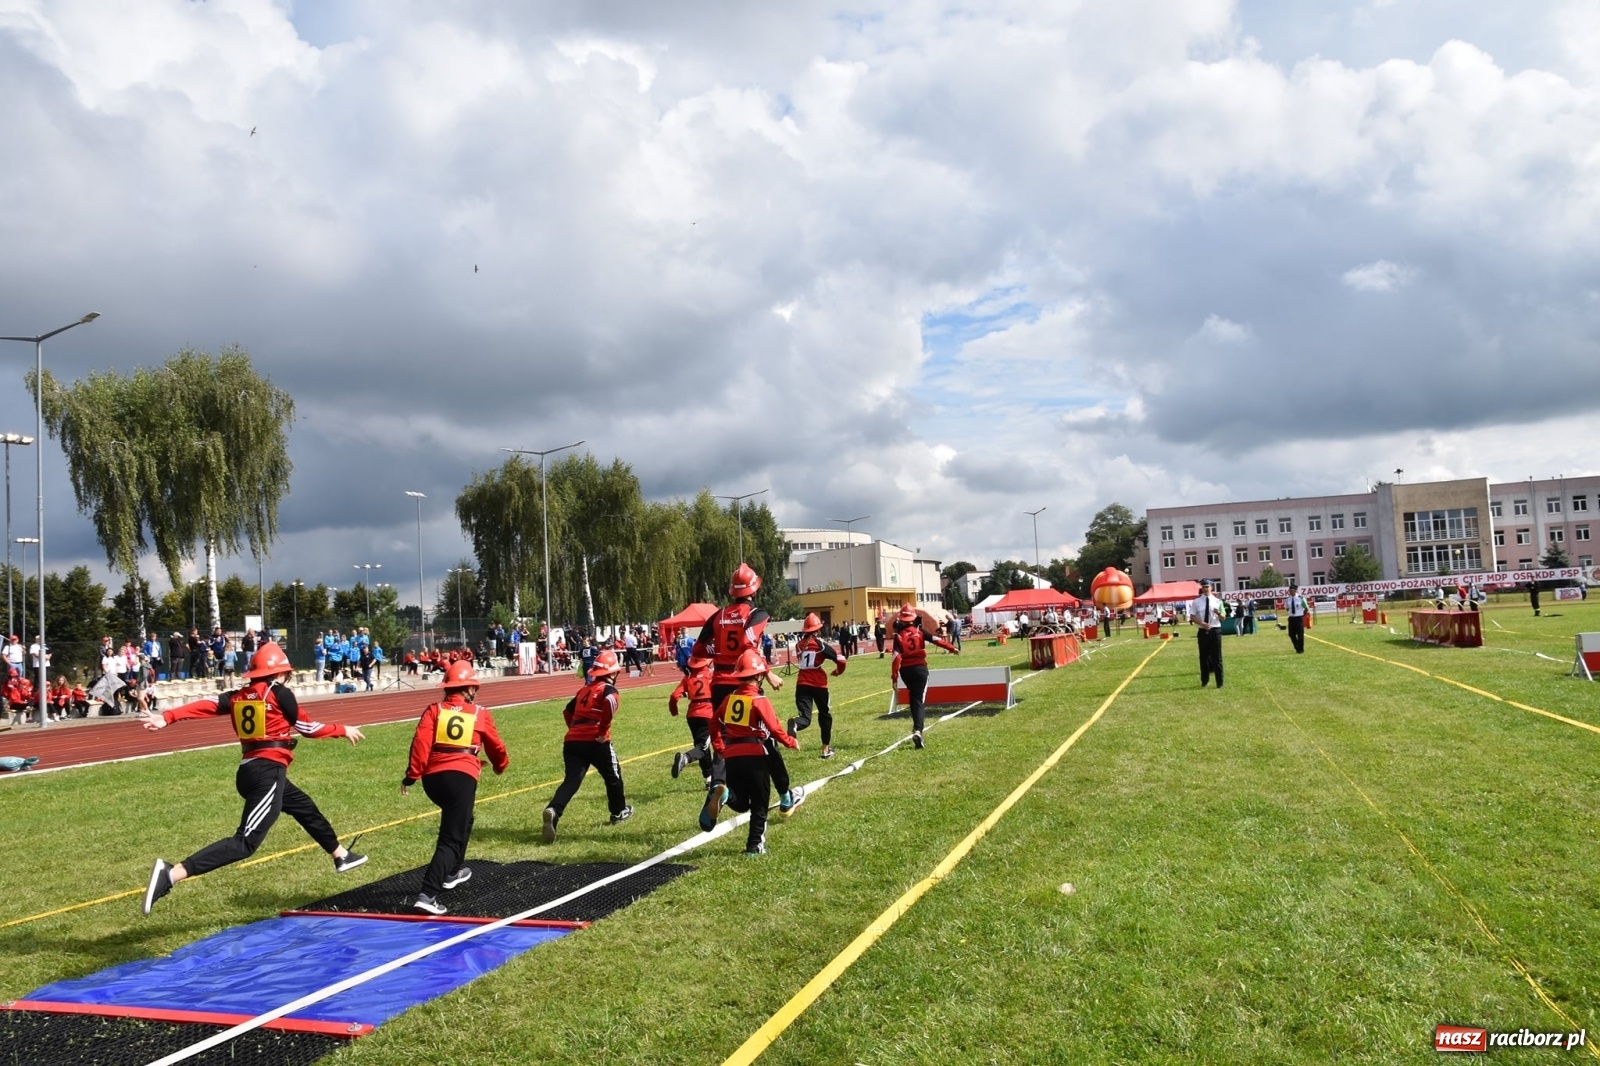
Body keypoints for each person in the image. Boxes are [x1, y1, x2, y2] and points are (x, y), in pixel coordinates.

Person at [139, 642, 368, 915]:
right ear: (280, 673)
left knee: (303, 806)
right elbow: (307, 728)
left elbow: (205, 705)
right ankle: (172, 874)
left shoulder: (238, 695)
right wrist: (342, 729)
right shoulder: (280, 693)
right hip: (266, 772)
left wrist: (168, 717)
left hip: (251, 770)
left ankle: (341, 855)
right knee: (246, 842)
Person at [402, 660, 509, 916]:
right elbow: (496, 746)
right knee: (451, 837)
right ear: (469, 688)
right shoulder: (479, 713)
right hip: (461, 777)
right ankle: (428, 894)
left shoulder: (434, 710)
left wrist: (412, 775)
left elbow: (420, 743)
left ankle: (452, 871)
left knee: (464, 820)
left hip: (433, 779)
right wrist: (500, 765)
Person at [699, 649, 799, 855]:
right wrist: (790, 742)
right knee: (760, 804)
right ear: (759, 675)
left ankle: (725, 793)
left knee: (742, 801)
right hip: (755, 754)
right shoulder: (758, 699)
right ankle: (754, 846)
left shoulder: (729, 699)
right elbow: (774, 728)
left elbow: (713, 724)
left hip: (733, 756)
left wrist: (720, 747)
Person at [541, 649, 632, 843]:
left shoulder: (584, 689)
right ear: (612, 673)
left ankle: (554, 810)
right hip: (596, 741)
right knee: (613, 776)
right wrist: (602, 731)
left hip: (573, 741)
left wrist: (575, 731)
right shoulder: (609, 690)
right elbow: (609, 701)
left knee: (572, 781)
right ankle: (618, 812)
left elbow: (567, 711)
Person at [691, 563, 783, 715]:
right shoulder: (757, 614)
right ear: (754, 589)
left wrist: (720, 651)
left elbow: (698, 649)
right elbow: (748, 643)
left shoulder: (718, 615)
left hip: (719, 683)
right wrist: (768, 673)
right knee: (751, 735)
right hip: (744, 681)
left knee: (723, 734)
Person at [890, 603, 960, 750]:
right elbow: (936, 640)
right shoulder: (920, 631)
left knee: (914, 699)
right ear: (914, 618)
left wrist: (894, 677)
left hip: (906, 671)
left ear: (902, 619)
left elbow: (896, 657)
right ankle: (918, 731)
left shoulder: (898, 635)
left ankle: (916, 728)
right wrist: (952, 648)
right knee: (918, 701)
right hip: (920, 669)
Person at [787, 613, 847, 759]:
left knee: (805, 718)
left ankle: (795, 724)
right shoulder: (820, 645)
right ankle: (825, 750)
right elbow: (841, 659)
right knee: (825, 715)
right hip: (819, 684)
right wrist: (838, 671)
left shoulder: (799, 645)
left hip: (802, 684)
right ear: (817, 630)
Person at [669, 653, 718, 785]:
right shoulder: (711, 674)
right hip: (707, 713)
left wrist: (674, 711)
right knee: (703, 747)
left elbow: (674, 696)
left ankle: (708, 779)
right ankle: (685, 758)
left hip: (692, 715)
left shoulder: (688, 678)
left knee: (701, 746)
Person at [1189, 579, 1225, 688]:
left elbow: (1223, 617)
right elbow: (1192, 617)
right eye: (1204, 587)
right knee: (1203, 658)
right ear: (1201, 588)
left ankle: (1220, 683)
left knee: (1217, 658)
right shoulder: (1196, 602)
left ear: (1211, 588)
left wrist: (1218, 612)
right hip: (1203, 631)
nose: (1206, 589)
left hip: (1215, 630)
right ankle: (1204, 681)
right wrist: (1202, 623)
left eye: (1207, 587)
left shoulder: (1218, 601)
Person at [1285, 581, 1308, 655]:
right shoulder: (1287, 599)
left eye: (1291, 590)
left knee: (1300, 634)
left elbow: (1306, 608)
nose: (1290, 592)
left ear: (1295, 590)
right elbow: (1287, 608)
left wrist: (1302, 615)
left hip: (1299, 618)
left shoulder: (1301, 598)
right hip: (1291, 618)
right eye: (1289, 591)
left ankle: (1300, 649)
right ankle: (1296, 646)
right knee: (1291, 634)